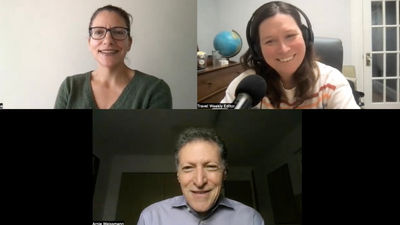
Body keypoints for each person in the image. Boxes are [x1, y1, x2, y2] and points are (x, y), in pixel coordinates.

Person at [221, 1, 359, 109]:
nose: (283, 49)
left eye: (290, 36)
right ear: (257, 49)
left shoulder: (332, 81)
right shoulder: (244, 89)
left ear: (306, 37)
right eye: (270, 41)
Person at [137, 128, 264, 225]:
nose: (199, 181)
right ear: (178, 176)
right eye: (188, 168)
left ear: (224, 173)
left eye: (211, 167)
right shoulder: (151, 218)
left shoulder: (251, 219)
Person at [55, 5, 172, 109]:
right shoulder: (70, 87)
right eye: (99, 32)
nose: (108, 40)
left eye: (118, 32)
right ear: (89, 43)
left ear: (129, 43)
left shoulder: (154, 90)